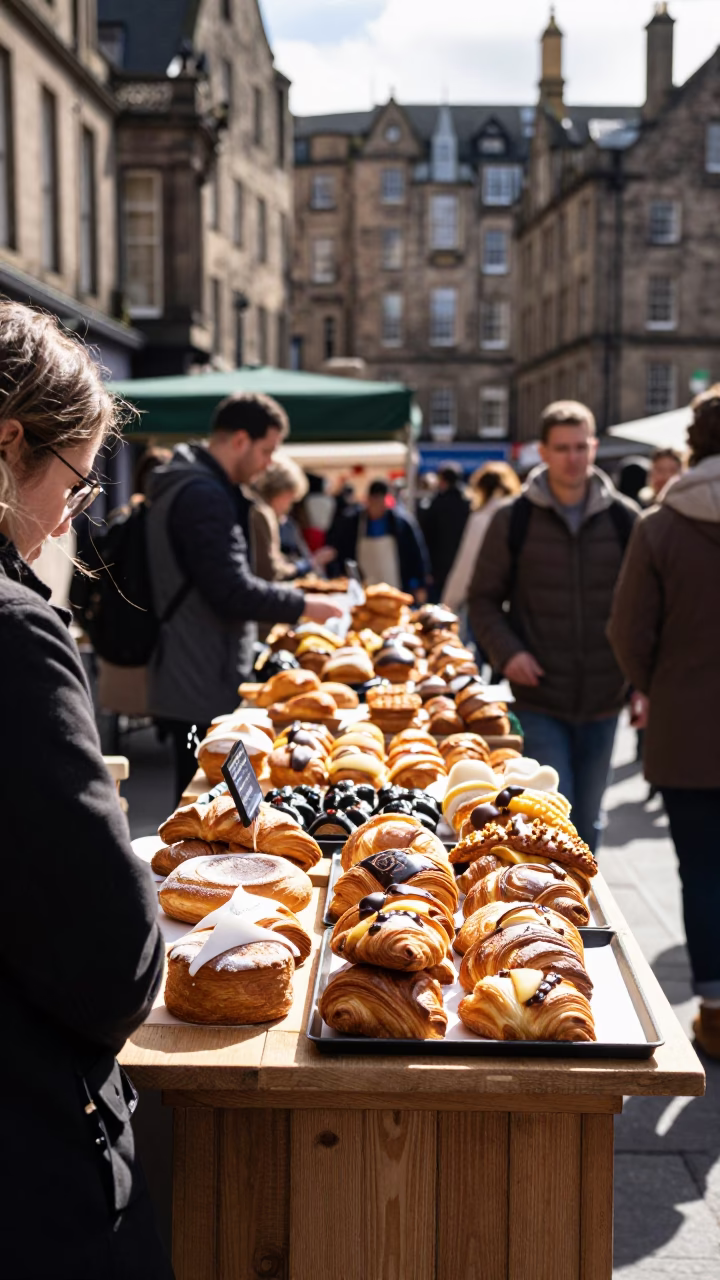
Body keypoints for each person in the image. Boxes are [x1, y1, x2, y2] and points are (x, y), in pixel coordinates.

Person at [0, 302, 171, 1278]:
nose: (74, 512)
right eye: (74, 479)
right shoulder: (15, 633)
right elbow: (110, 953)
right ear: (11, 442)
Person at [145, 392, 341, 798]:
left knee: (209, 797)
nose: (270, 462)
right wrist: (306, 605)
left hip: (194, 664)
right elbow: (230, 589)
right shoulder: (203, 494)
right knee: (202, 800)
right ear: (239, 440)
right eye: (267, 450)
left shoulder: (195, 484)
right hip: (198, 672)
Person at [468, 400, 638, 851]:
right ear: (542, 452)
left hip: (606, 696)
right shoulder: (513, 518)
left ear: (595, 447)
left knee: (587, 821)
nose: (573, 457)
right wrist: (509, 654)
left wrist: (642, 682)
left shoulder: (625, 519)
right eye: (563, 448)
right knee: (547, 816)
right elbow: (482, 600)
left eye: (582, 446)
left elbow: (649, 609)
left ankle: (579, 913)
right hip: (539, 693)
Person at [608, 385, 720, 1059]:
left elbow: (627, 632)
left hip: (685, 726)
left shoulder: (661, 522)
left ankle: (713, 1003)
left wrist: (657, 688)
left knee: (701, 868)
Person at [324, 477, 430, 598]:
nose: (376, 507)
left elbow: (416, 554)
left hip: (396, 585)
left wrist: (420, 584)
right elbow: (341, 550)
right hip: (363, 586)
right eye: (373, 502)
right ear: (367, 500)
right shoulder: (353, 522)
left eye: (380, 502)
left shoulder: (401, 523)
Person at [443, 462, 522, 614]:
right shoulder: (524, 514)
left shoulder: (482, 518)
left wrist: (449, 601)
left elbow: (467, 563)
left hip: (487, 604)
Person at [250, 450, 311, 585]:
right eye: (290, 498)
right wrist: (299, 567)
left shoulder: (255, 509)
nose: (289, 506)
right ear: (281, 491)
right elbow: (270, 570)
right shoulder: (261, 513)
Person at [421, 463, 470, 600]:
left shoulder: (436, 503)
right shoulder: (469, 504)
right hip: (462, 563)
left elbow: (426, 536)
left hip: (439, 566)